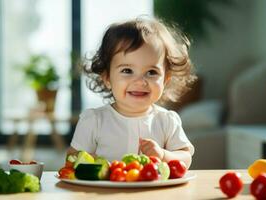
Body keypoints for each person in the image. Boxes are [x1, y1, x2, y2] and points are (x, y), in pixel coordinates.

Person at [67, 17, 196, 167]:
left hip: (152, 190)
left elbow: (185, 158)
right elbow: (71, 158)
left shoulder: (166, 120)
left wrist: (163, 155)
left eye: (151, 72)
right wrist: (90, 160)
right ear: (107, 78)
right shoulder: (94, 120)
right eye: (127, 70)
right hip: (104, 190)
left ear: (165, 79)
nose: (140, 81)